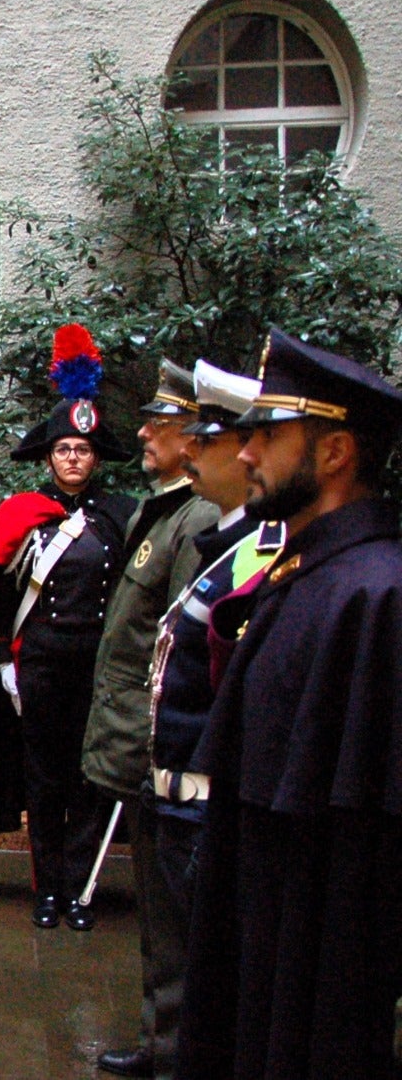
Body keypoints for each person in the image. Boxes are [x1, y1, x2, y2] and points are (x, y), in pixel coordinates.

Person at [176, 330, 402, 1080]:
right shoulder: (305, 572)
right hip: (259, 933)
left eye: (269, 436)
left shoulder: (377, 593)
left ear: (335, 453)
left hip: (318, 963)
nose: (245, 454)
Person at [95, 361, 280, 1080]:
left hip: (200, 792)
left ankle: (181, 1050)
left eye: (203, 435)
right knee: (168, 935)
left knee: (203, 946)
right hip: (169, 779)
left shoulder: (255, 547)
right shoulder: (214, 535)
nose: (191, 448)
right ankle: (167, 1042)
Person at [0, 323, 137, 928]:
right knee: (46, 781)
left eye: (83, 450)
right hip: (41, 667)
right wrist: (3, 665)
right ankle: (50, 889)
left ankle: (81, 885)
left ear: (97, 457)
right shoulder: (21, 518)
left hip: (101, 671)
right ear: (48, 458)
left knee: (95, 780)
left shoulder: (122, 517)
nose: (73, 459)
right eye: (63, 451)